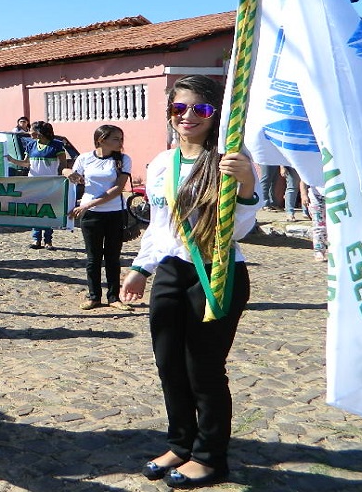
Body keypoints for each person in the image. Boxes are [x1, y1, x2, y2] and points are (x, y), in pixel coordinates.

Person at [120, 75, 260, 489]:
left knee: (204, 370)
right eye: (179, 108)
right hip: (171, 270)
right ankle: (180, 443)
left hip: (217, 272)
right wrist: (141, 269)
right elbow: (159, 226)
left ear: (216, 115)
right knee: (169, 364)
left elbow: (238, 231)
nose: (188, 116)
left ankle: (210, 457)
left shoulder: (230, 159)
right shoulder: (162, 163)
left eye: (200, 109)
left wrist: (247, 186)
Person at [65, 125, 132, 311]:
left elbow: (117, 189)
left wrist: (87, 204)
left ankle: (114, 297)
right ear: (101, 140)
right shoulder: (85, 158)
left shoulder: (123, 160)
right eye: (116, 139)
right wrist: (69, 173)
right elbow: (69, 173)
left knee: (113, 257)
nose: (120, 142)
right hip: (91, 216)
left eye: (121, 138)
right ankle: (94, 296)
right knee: (93, 258)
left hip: (114, 213)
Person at [7, 121, 67, 249]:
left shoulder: (57, 145)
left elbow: (63, 164)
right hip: (34, 184)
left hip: (51, 184)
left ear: (39, 132)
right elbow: (26, 163)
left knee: (48, 211)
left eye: (32, 130)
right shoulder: (31, 145)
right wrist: (11, 159)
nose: (29, 132)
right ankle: (36, 239)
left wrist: (61, 178)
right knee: (35, 211)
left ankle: (48, 240)